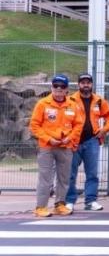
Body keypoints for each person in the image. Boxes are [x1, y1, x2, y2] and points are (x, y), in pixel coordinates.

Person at [29, 74, 82, 217]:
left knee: (64, 178)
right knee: (45, 178)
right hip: (47, 146)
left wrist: (69, 138)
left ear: (67, 90)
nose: (59, 89)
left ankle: (60, 205)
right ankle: (40, 207)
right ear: (52, 87)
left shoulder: (73, 105)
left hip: (65, 146)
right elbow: (34, 125)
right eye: (56, 86)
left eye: (62, 86)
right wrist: (48, 138)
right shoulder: (42, 104)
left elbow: (78, 125)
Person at [65, 73, 109, 211]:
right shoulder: (69, 100)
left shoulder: (99, 101)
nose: (85, 85)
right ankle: (69, 200)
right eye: (83, 82)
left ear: (92, 84)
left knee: (92, 173)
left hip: (92, 141)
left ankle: (90, 201)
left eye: (88, 82)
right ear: (78, 85)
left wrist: (104, 130)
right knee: (70, 173)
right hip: (73, 141)